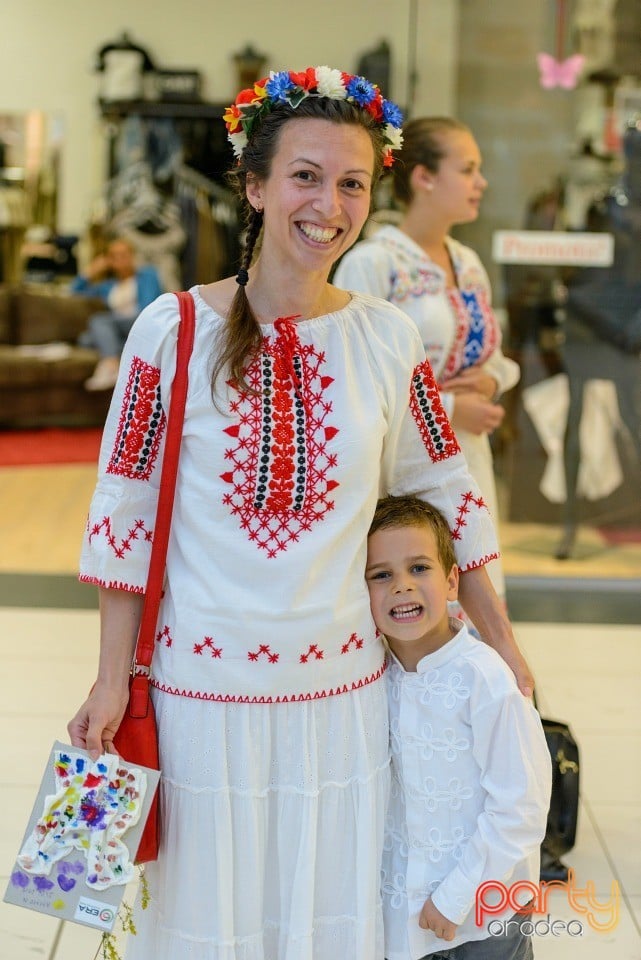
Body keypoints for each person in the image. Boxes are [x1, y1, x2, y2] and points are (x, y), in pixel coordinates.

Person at [68, 66, 533, 960]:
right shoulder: (170, 331)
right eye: (306, 176)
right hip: (199, 700)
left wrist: (497, 640)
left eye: (352, 183)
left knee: (323, 923)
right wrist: (106, 677)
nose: (329, 203)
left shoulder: (384, 339)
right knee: (207, 924)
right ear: (254, 186)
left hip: (341, 701)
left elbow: (447, 496)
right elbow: (121, 512)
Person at [334, 117, 520, 622]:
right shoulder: (374, 262)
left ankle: (485, 695)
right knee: (417, 591)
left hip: (469, 456)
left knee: (478, 578)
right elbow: (359, 375)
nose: (480, 182)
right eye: (468, 169)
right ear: (423, 177)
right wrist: (454, 407)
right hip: (404, 463)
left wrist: (492, 381)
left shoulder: (468, 261)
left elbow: (496, 358)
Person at [366, 495, 551, 960]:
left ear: (452, 581)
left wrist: (455, 897)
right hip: (405, 917)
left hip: (486, 915)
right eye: (381, 575)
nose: (402, 587)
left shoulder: (485, 679)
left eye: (419, 568)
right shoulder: (373, 678)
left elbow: (521, 809)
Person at [71, 236, 163, 390]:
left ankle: (109, 364)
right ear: (109, 261)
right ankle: (122, 352)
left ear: (132, 256)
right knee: (85, 340)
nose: (120, 259)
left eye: (124, 254)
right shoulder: (108, 286)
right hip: (120, 329)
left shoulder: (147, 275)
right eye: (114, 256)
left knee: (99, 321)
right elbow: (74, 292)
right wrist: (91, 270)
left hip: (141, 322)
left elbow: (149, 308)